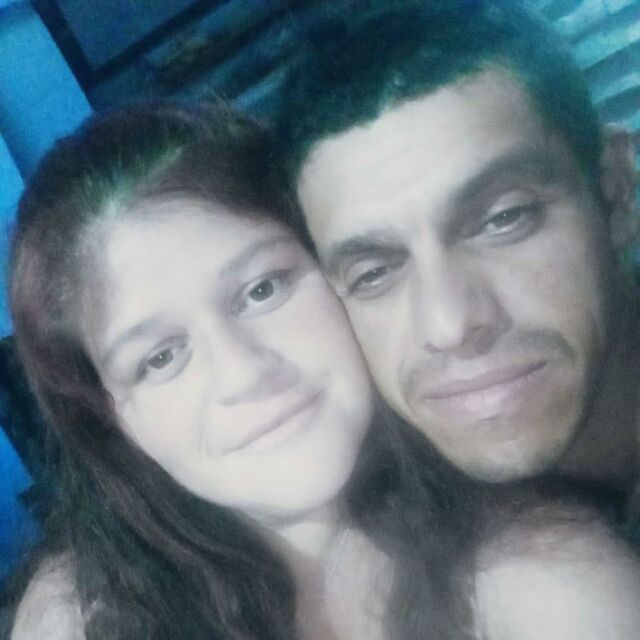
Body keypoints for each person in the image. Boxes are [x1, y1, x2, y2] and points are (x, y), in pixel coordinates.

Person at [4, 99, 640, 640]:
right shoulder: (84, 618)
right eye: (160, 358)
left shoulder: (547, 584)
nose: (243, 373)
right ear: (113, 415)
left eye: (262, 290)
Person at [278, 1, 640, 494]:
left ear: (616, 192)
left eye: (504, 219)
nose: (449, 325)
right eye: (373, 274)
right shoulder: (393, 522)